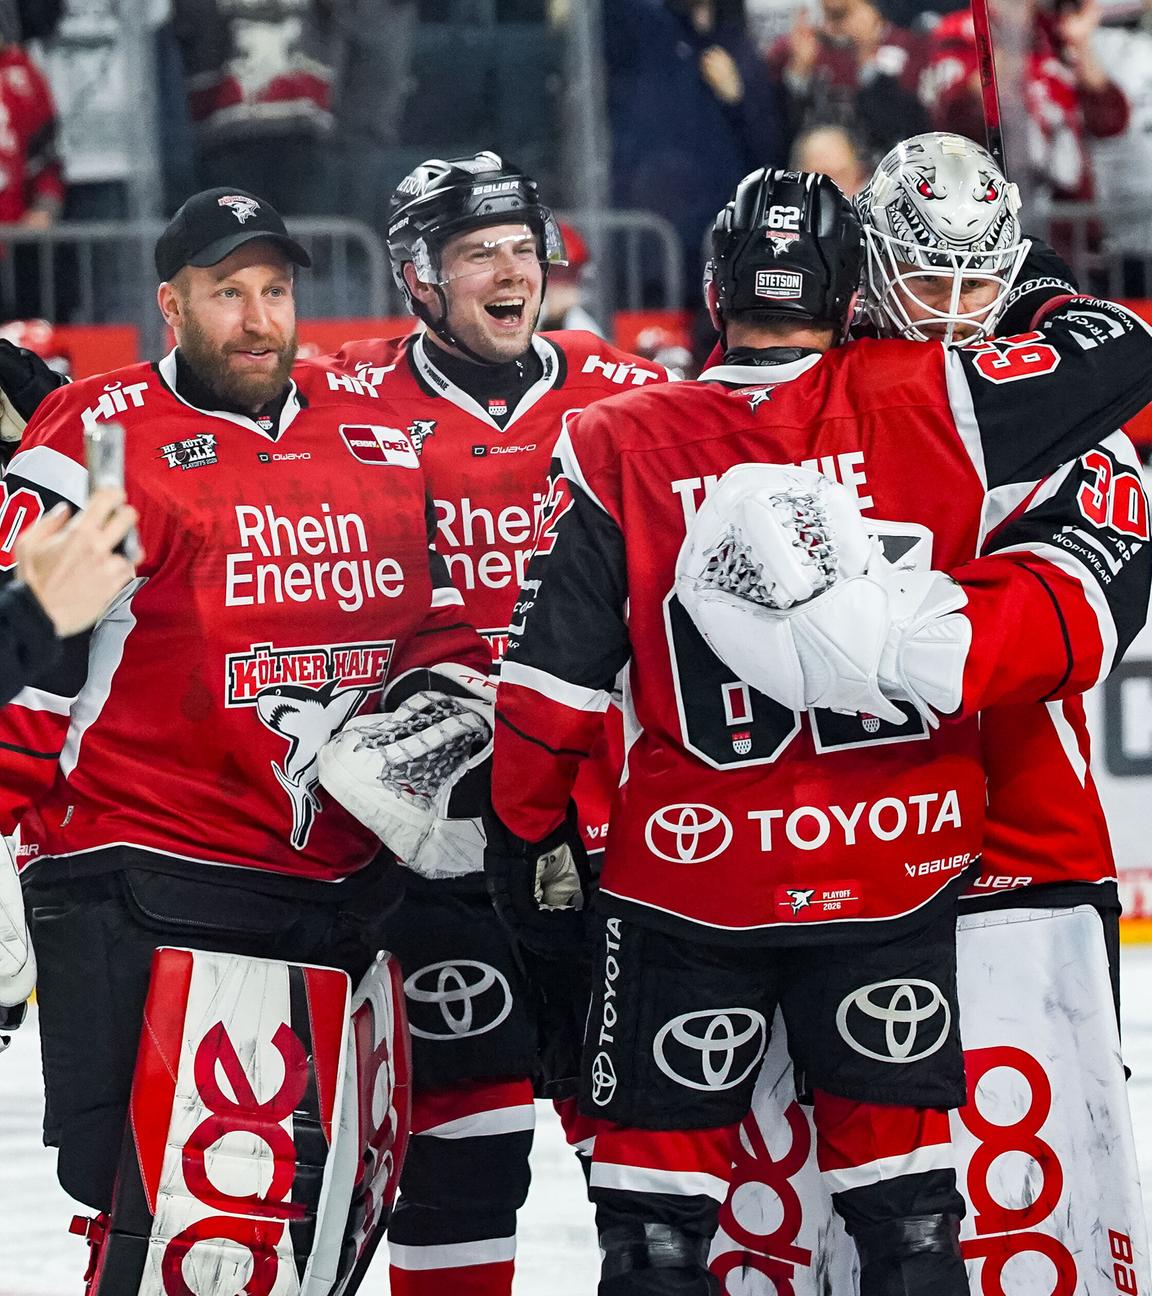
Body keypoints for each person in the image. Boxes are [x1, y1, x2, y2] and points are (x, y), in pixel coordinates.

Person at [484, 168, 1152, 1295]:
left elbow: (549, 693)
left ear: (710, 290)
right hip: (894, 871)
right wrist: (1036, 298)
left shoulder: (616, 436)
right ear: (856, 295)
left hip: (687, 885)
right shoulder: (932, 393)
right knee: (911, 1224)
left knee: (657, 1228)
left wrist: (523, 832)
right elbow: (1126, 351)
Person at [0, 185, 491, 1294]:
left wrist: (451, 711)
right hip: (155, 880)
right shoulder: (99, 437)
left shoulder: (371, 434)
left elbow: (443, 624)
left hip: (339, 890)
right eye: (230, 293)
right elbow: (28, 663)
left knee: (314, 1244)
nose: (261, 318)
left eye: (276, 290)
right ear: (171, 305)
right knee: (197, 1241)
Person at [708, 133, 1152, 1294]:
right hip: (803, 861)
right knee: (799, 1227)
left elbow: (1092, 606)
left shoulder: (1049, 398)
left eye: (977, 282)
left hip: (1022, 851)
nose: (954, 312)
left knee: (1027, 1222)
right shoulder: (799, 384)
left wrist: (910, 642)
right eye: (928, 280)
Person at [322, 150, 673, 1296]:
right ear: (419, 277)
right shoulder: (342, 400)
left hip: (607, 840)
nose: (511, 269)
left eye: (524, 246)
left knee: (642, 1159)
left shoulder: (631, 391)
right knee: (457, 1161)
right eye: (480, 252)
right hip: (441, 853)